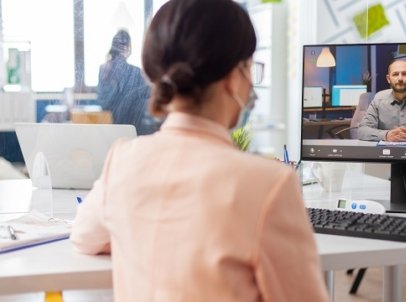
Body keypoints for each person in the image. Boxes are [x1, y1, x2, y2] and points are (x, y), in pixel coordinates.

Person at [70, 1, 329, 301]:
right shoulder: (269, 184)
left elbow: (84, 237)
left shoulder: (123, 160)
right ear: (234, 77)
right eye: (251, 68)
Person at [97, 29, 158, 135]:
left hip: (112, 123)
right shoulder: (135, 72)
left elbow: (103, 101)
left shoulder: (103, 69)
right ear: (127, 48)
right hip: (130, 123)